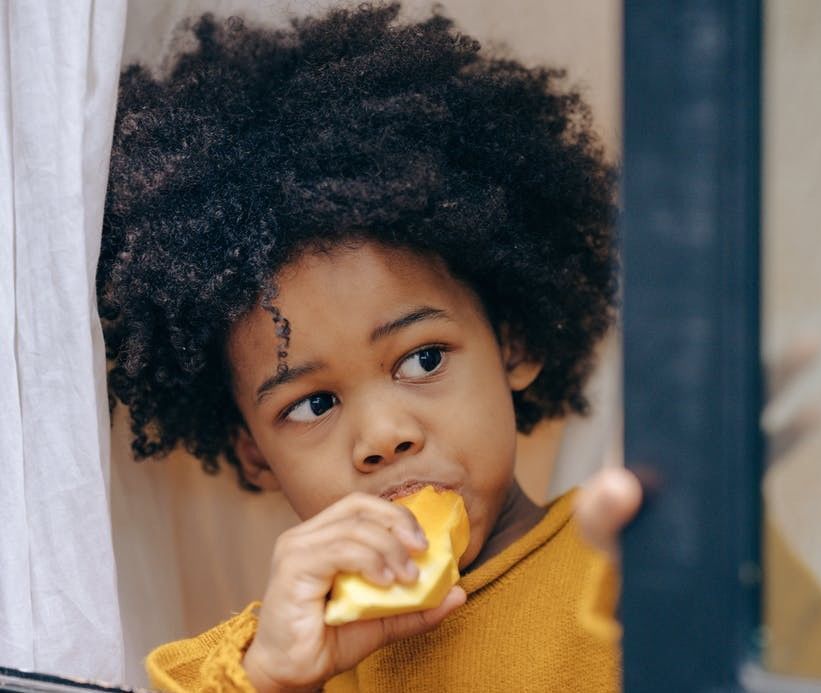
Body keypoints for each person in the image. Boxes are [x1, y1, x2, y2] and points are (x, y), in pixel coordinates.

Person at [98, 5, 640, 691]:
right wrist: (269, 677)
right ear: (254, 452)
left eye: (423, 359)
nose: (382, 437)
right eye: (313, 403)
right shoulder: (298, 656)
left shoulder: (627, 567)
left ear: (513, 341)